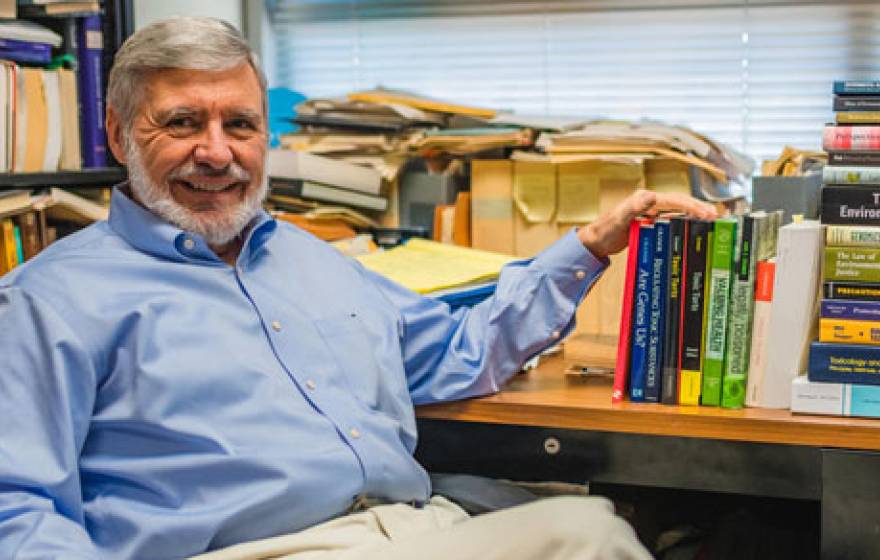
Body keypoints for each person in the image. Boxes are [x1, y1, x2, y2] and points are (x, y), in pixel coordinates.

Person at [0, 17, 716, 560]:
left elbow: (464, 351)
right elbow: (18, 510)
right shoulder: (48, 302)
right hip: (258, 550)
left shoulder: (318, 261)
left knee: (618, 519)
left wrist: (593, 245)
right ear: (121, 135)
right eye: (182, 123)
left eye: (239, 125)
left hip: (410, 526)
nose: (216, 152)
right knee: (584, 537)